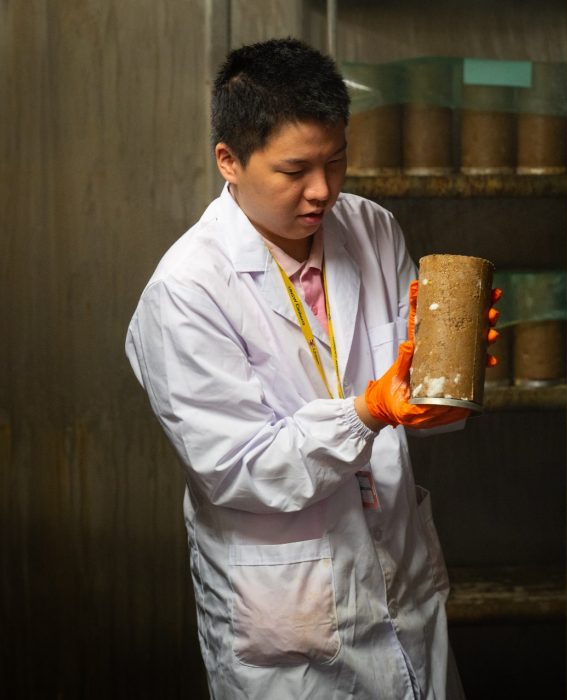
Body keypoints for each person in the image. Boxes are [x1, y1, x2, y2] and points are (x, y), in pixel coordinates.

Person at [125, 37, 499, 699]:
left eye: (336, 161)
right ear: (230, 161)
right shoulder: (187, 291)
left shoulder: (372, 230)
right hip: (288, 624)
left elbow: (412, 402)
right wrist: (369, 410)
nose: (322, 190)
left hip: (401, 591)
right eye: (295, 169)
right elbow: (239, 468)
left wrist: (448, 380)